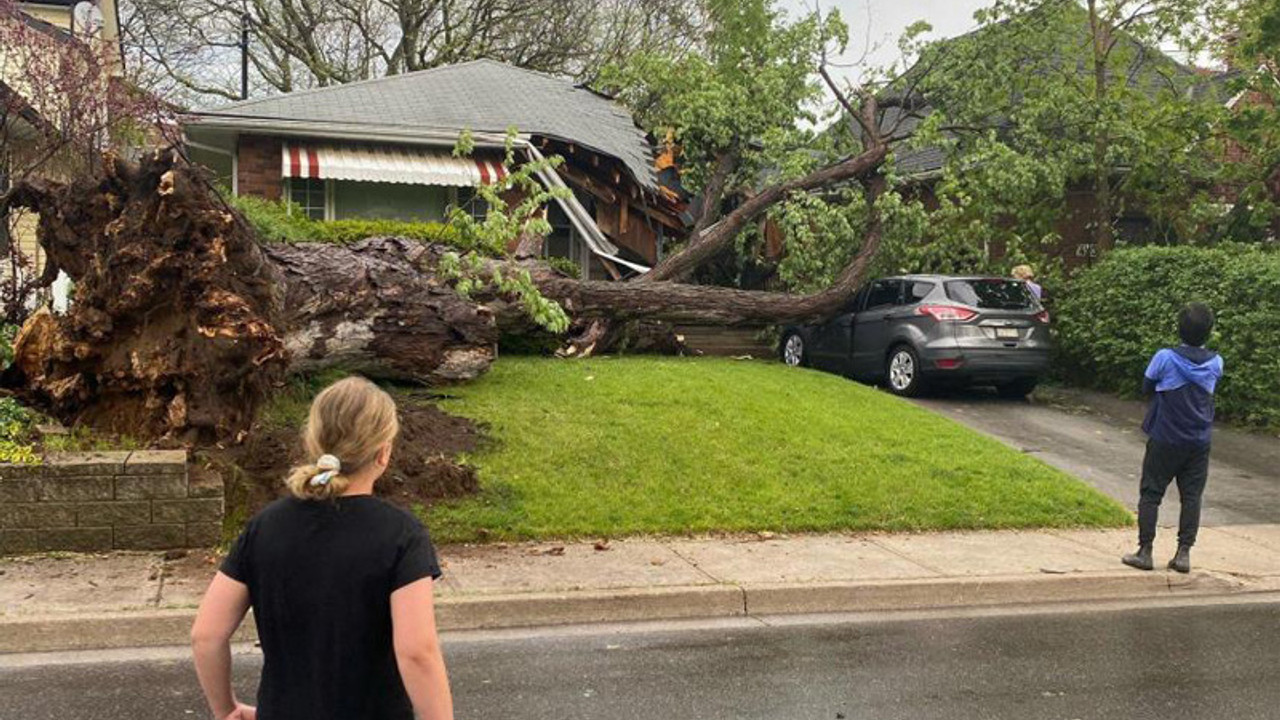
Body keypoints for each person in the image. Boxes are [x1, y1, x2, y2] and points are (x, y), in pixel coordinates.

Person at [192, 377, 453, 720]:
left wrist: (226, 710)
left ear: (312, 442)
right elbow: (417, 652)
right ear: (383, 453)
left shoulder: (266, 526)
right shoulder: (401, 535)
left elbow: (206, 635)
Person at [1122, 303, 1224, 574]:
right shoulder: (1216, 362)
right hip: (1199, 440)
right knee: (1192, 497)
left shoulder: (1165, 357)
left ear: (1179, 328)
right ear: (1209, 332)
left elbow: (1146, 386)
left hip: (1165, 436)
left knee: (1151, 492)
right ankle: (1183, 554)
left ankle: (1145, 551)